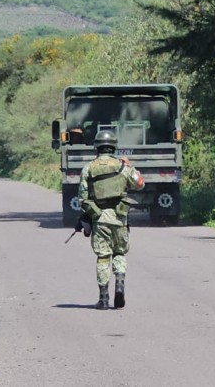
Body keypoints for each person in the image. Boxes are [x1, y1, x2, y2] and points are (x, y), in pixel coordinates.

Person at [79, 130, 145, 310]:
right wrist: (130, 166)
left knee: (103, 257)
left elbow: (82, 199)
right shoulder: (122, 167)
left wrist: (92, 215)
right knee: (119, 253)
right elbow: (140, 183)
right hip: (120, 218)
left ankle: (103, 299)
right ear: (114, 146)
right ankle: (120, 286)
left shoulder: (89, 168)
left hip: (99, 219)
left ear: (97, 148)